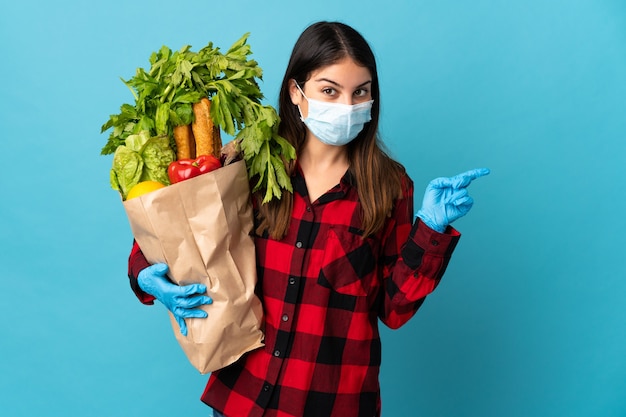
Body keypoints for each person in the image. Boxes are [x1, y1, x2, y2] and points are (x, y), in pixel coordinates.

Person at [127, 21, 489, 417]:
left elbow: (394, 310)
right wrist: (145, 273)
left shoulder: (389, 186)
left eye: (360, 92)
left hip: (333, 405)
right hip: (243, 400)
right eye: (330, 91)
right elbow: (189, 231)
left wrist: (431, 231)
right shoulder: (248, 164)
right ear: (296, 93)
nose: (347, 106)